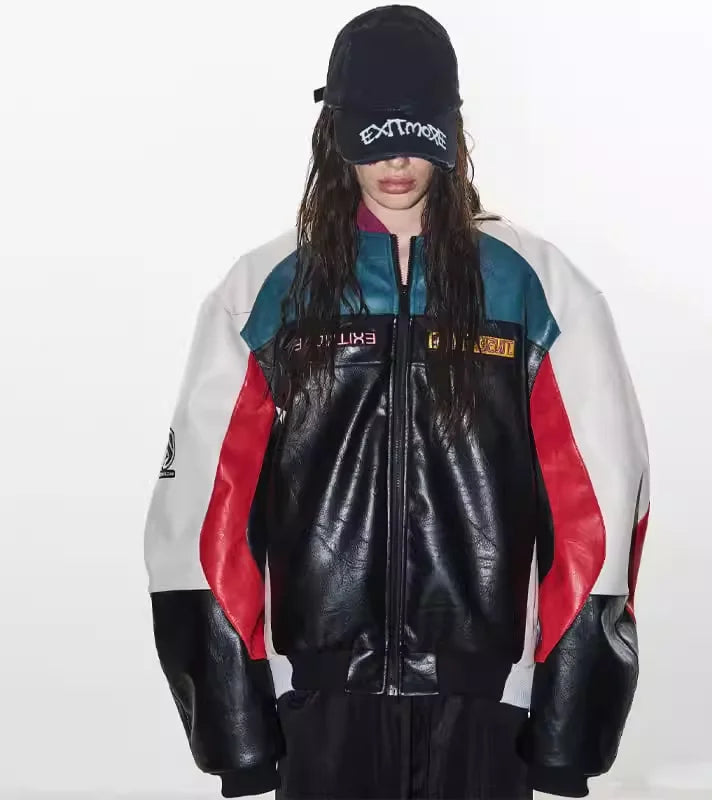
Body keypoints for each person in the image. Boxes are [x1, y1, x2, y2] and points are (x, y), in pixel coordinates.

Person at [143, 5, 651, 799]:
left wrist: (568, 725)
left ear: (451, 129)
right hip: (318, 709)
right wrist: (235, 727)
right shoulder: (267, 291)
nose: (397, 161)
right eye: (375, 134)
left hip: (488, 713)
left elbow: (600, 505)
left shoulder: (536, 288)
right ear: (336, 133)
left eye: (417, 133)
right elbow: (203, 515)